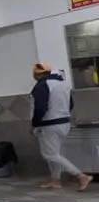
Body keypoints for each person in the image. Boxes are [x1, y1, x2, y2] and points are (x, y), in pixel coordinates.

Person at [31, 63, 92, 191]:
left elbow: (40, 107)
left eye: (35, 74)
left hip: (49, 124)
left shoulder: (43, 85)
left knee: (50, 155)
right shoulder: (63, 84)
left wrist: (35, 124)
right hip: (64, 123)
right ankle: (55, 180)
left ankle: (81, 176)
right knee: (55, 153)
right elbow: (70, 104)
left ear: (38, 74)